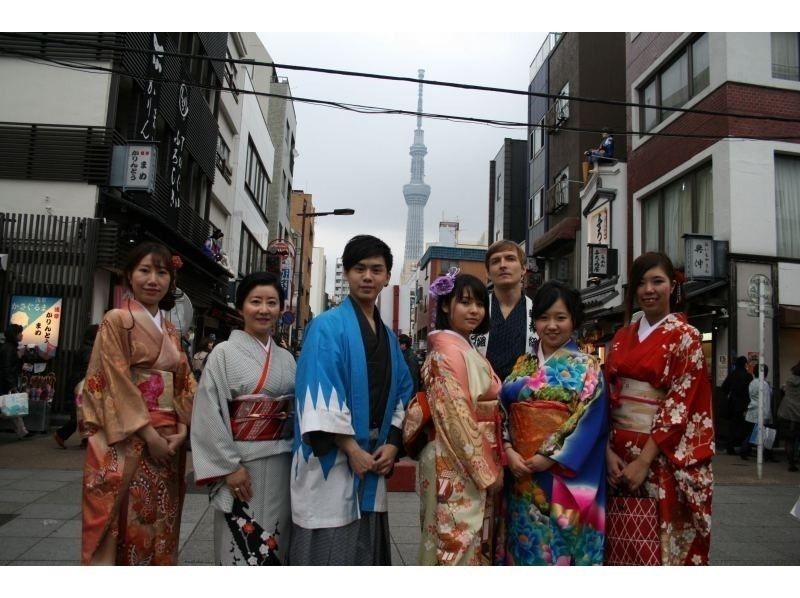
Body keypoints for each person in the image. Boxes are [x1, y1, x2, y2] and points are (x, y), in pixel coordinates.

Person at [288, 235, 413, 565]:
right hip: (336, 457)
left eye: (377, 269)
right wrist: (351, 448)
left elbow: (403, 391)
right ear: (346, 272)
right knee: (329, 546)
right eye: (359, 269)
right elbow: (318, 390)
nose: (368, 277)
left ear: (388, 277)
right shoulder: (325, 326)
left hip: (373, 456)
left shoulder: (387, 337)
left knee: (364, 549)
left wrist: (394, 444)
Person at [80, 242, 196, 565]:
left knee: (163, 518)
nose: (153, 280)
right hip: (132, 439)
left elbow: (185, 380)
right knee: (131, 519)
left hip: (169, 439)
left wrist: (182, 430)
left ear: (170, 282)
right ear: (129, 276)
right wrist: (150, 436)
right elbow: (114, 380)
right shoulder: (117, 320)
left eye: (161, 272)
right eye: (144, 270)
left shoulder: (171, 331)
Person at [605, 252, 714, 565]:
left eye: (657, 281)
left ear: (673, 286)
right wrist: (606, 451)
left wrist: (644, 461)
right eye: (641, 283)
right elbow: (607, 396)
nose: (648, 290)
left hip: (660, 455)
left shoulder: (686, 337)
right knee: (620, 544)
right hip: (617, 455)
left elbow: (680, 403)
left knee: (657, 547)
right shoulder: (623, 336)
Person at [496, 281, 607, 566]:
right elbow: (503, 411)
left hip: (561, 474)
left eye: (561, 317)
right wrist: (508, 450)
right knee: (524, 547)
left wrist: (548, 456)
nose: (552, 325)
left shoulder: (588, 366)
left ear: (574, 320)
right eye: (544, 318)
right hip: (521, 474)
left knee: (560, 550)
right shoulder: (523, 364)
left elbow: (590, 419)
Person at [191, 272, 296, 565]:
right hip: (241, 466)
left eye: (272, 303)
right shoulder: (223, 353)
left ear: (280, 309)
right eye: (255, 302)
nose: (264, 309)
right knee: (241, 546)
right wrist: (228, 467)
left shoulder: (286, 359)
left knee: (277, 541)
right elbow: (208, 412)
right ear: (241, 308)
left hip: (282, 463)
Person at [411, 271, 502, 565]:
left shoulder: (462, 348)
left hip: (463, 456)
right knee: (453, 542)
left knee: (464, 540)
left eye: (479, 304)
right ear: (447, 305)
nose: (474, 310)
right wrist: (486, 471)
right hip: (454, 458)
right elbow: (456, 417)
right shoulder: (446, 352)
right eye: (464, 302)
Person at [471, 239, 537, 382]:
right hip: (479, 396)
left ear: (523, 269)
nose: (503, 265)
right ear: (488, 273)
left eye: (510, 259)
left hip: (524, 397)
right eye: (495, 261)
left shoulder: (538, 312)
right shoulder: (474, 311)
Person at [53, 324, 98, 449]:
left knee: (83, 414)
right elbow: (87, 368)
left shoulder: (86, 347)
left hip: (78, 383)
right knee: (81, 414)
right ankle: (61, 435)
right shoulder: (89, 350)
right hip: (81, 385)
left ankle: (85, 441)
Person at [0, 324, 33, 439]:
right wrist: (12, 385)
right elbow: (7, 368)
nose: (22, 335)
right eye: (20, 333)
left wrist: (19, 357)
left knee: (13, 406)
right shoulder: (9, 348)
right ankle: (22, 431)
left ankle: (22, 431)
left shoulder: (10, 347)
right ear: (14, 335)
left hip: (6, 382)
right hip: (5, 382)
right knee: (11, 405)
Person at [743, 364, 776, 461]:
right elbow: (766, 401)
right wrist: (766, 416)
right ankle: (766, 454)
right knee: (765, 434)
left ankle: (745, 450)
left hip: (752, 411)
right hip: (762, 412)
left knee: (754, 433)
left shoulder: (752, 382)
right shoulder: (764, 384)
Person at [722, 356, 753, 455]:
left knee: (732, 426)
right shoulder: (748, 376)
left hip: (733, 403)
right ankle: (744, 447)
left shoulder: (732, 374)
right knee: (745, 426)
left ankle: (730, 447)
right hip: (745, 404)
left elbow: (724, 387)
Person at [777, 361, 800, 472]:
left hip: (786, 412)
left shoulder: (789, 381)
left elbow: (783, 390)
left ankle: (791, 462)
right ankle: (795, 458)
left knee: (789, 440)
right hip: (798, 414)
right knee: (796, 438)